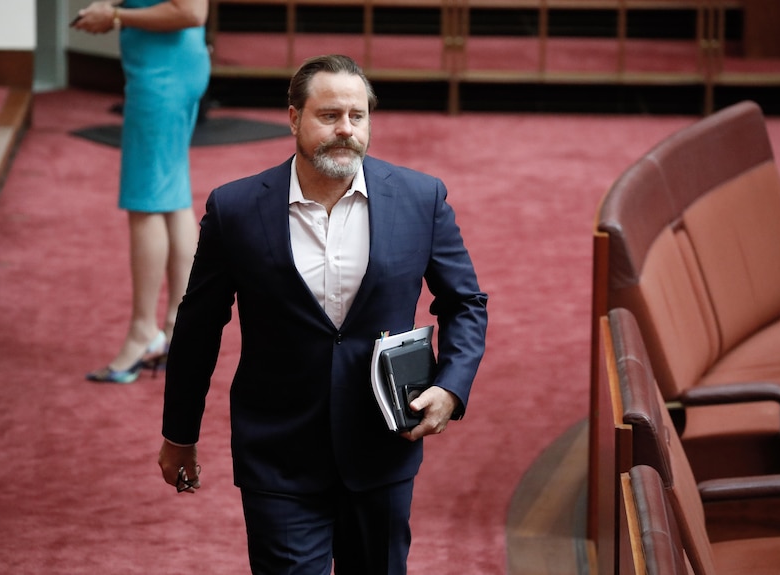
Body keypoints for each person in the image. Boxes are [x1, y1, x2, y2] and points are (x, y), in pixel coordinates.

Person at [158, 54, 488, 574]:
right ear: (293, 118)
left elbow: (465, 303)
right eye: (329, 115)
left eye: (357, 116)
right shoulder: (235, 209)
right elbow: (198, 328)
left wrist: (451, 386)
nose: (345, 130)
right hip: (278, 454)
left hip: (382, 447)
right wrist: (180, 434)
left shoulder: (421, 198)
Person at [72, 0, 210, 383]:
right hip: (171, 67)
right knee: (172, 200)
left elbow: (191, 11)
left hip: (161, 75)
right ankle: (171, 329)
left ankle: (142, 331)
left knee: (146, 203)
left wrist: (115, 16)